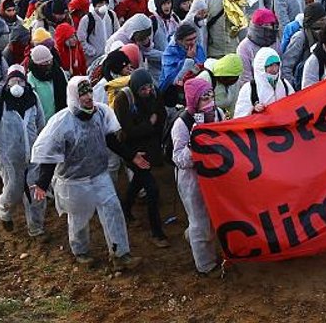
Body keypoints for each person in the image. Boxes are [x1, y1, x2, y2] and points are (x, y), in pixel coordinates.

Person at [30, 77, 141, 271]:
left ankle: (120, 254)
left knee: (113, 210)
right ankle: (80, 251)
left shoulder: (100, 113)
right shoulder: (61, 123)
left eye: (90, 92)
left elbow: (111, 141)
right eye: (83, 94)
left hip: (99, 174)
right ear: (74, 96)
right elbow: (50, 156)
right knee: (79, 217)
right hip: (74, 180)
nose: (89, 97)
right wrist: (42, 183)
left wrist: (132, 156)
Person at [0, 66, 47, 237]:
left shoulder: (33, 99)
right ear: (7, 83)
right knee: (13, 191)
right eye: (13, 81)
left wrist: (45, 150)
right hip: (9, 158)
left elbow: (41, 125)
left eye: (20, 80)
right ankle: (4, 211)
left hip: (33, 156)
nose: (17, 84)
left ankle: (36, 228)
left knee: (36, 194)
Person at [171, 73, 223, 275]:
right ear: (194, 101)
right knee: (199, 220)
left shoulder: (218, 113)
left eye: (211, 95)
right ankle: (205, 265)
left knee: (214, 216)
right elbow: (179, 158)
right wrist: (194, 146)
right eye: (204, 98)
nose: (210, 102)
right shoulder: (182, 124)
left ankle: (195, 238)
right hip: (192, 179)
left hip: (215, 174)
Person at [111, 69, 170, 248]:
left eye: (149, 87)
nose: (147, 92)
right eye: (143, 89)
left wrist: (148, 127)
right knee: (152, 189)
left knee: (138, 180)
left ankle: (125, 209)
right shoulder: (123, 99)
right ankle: (157, 233)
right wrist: (149, 124)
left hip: (149, 147)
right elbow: (128, 131)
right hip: (131, 151)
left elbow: (161, 117)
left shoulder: (154, 93)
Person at [235, 46, 286, 116]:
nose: (274, 69)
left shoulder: (285, 84)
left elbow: (294, 107)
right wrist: (253, 110)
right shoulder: (249, 89)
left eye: (277, 65)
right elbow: (240, 117)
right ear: (260, 67)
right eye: (270, 66)